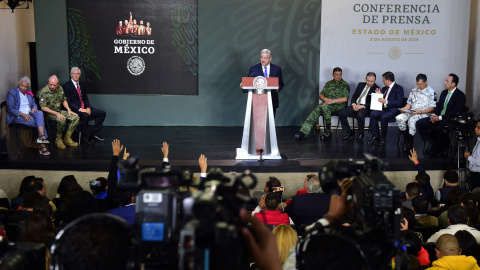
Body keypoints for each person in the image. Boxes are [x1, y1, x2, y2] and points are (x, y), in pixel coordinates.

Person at [416, 73, 466, 157]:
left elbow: (454, 112)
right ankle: (432, 143)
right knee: (419, 123)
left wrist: (439, 118)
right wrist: (434, 115)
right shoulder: (444, 93)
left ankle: (446, 148)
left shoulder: (460, 95)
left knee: (439, 128)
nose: (444, 82)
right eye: (445, 80)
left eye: (447, 81)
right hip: (439, 116)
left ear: (453, 84)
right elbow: (439, 106)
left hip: (451, 118)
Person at [295, 67, 349, 140]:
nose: (338, 76)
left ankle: (327, 131)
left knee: (325, 107)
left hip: (338, 105)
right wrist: (326, 99)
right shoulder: (328, 83)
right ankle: (303, 131)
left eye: (340, 74)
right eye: (336, 74)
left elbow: (345, 99)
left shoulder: (345, 84)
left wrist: (332, 101)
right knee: (316, 111)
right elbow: (320, 95)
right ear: (332, 75)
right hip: (327, 103)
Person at [6, 76, 50, 155]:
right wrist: (23, 114)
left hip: (30, 113)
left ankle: (41, 137)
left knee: (39, 113)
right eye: (21, 85)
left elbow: (34, 103)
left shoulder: (29, 92)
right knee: (39, 122)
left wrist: (34, 108)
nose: (23, 88)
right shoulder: (12, 93)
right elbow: (11, 109)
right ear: (19, 84)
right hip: (18, 115)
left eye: (26, 86)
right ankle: (43, 145)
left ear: (28, 87)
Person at [63, 67, 106, 144]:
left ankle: (93, 134)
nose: (76, 75)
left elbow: (85, 98)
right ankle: (84, 136)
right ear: (71, 75)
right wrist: (80, 109)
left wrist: (89, 107)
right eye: (74, 74)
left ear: (80, 75)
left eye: (78, 74)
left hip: (85, 108)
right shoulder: (66, 86)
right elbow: (68, 102)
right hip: (75, 110)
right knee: (85, 115)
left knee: (102, 113)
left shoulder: (82, 85)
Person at [396, 74, 436, 152]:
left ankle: (409, 143)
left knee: (412, 120)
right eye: (417, 84)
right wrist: (403, 109)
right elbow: (409, 104)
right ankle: (407, 138)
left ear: (426, 82)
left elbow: (432, 108)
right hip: (412, 111)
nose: (418, 86)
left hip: (423, 113)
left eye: (420, 84)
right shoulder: (414, 90)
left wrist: (420, 112)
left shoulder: (431, 92)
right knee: (399, 118)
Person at [37, 75, 79, 149]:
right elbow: (43, 107)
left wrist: (68, 109)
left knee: (76, 117)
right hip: (48, 113)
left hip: (59, 111)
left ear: (58, 84)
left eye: (54, 85)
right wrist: (57, 114)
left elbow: (64, 100)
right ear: (48, 83)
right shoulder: (43, 92)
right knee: (62, 119)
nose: (52, 86)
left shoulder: (60, 88)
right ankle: (58, 139)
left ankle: (67, 138)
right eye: (51, 84)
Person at [338, 72, 378, 142]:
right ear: (366, 79)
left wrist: (362, 106)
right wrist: (353, 104)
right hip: (356, 104)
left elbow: (372, 103)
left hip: (365, 107)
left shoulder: (376, 88)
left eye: (372, 81)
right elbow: (354, 96)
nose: (369, 83)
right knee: (341, 113)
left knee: (360, 115)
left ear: (375, 81)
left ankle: (360, 134)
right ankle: (348, 131)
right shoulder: (360, 85)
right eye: (368, 81)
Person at [367, 71, 404, 146]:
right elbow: (381, 99)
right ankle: (375, 135)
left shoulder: (399, 88)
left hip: (393, 109)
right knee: (373, 114)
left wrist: (386, 101)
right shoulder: (384, 88)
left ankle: (383, 138)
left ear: (388, 80)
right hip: (383, 109)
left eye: (383, 80)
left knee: (384, 116)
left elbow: (399, 103)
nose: (383, 82)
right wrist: (379, 95)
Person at [246, 49, 284, 117]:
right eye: (261, 57)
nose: (263, 60)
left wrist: (278, 88)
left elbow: (281, 83)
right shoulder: (253, 69)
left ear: (270, 59)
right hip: (257, 100)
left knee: (270, 124)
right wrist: (244, 84)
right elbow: (248, 82)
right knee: (258, 123)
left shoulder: (277, 69)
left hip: (272, 99)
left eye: (265, 58)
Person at [465, 120, 480, 190]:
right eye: (476, 127)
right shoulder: (478, 140)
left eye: (478, 127)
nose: (475, 129)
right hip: (474, 174)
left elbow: (479, 162)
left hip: (478, 175)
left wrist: (468, 157)